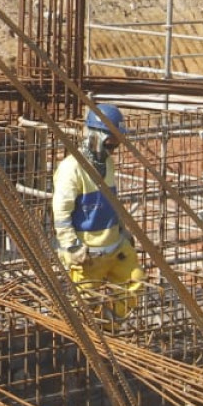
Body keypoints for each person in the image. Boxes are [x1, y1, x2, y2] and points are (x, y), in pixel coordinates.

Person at [51, 103, 144, 328]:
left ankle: (110, 330)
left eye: (116, 144)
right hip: (87, 254)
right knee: (84, 305)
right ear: (95, 136)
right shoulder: (71, 169)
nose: (113, 149)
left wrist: (123, 231)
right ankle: (85, 344)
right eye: (110, 143)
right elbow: (61, 212)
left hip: (114, 247)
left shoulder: (107, 164)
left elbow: (111, 202)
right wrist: (71, 246)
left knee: (134, 281)